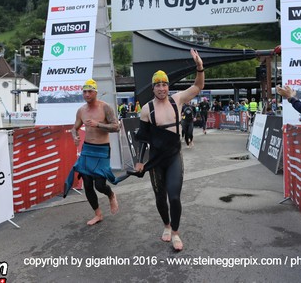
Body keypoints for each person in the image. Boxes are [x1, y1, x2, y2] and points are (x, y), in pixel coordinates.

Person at [132, 49, 204, 252]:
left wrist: (199, 66)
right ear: (153, 87)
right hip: (155, 160)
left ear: (168, 86)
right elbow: (143, 139)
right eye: (158, 85)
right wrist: (139, 161)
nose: (161, 88)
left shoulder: (178, 100)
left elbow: (198, 86)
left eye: (164, 84)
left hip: (173, 157)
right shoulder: (147, 109)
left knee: (174, 196)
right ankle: (166, 224)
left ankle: (175, 233)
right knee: (160, 197)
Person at [70, 79, 121, 226]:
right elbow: (74, 129)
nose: (87, 94)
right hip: (87, 150)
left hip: (102, 149)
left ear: (95, 92)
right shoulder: (81, 111)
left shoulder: (105, 108)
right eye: (84, 91)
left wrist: (98, 124)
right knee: (87, 184)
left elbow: (116, 127)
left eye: (89, 91)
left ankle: (111, 195)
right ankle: (98, 213)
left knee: (99, 185)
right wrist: (75, 137)